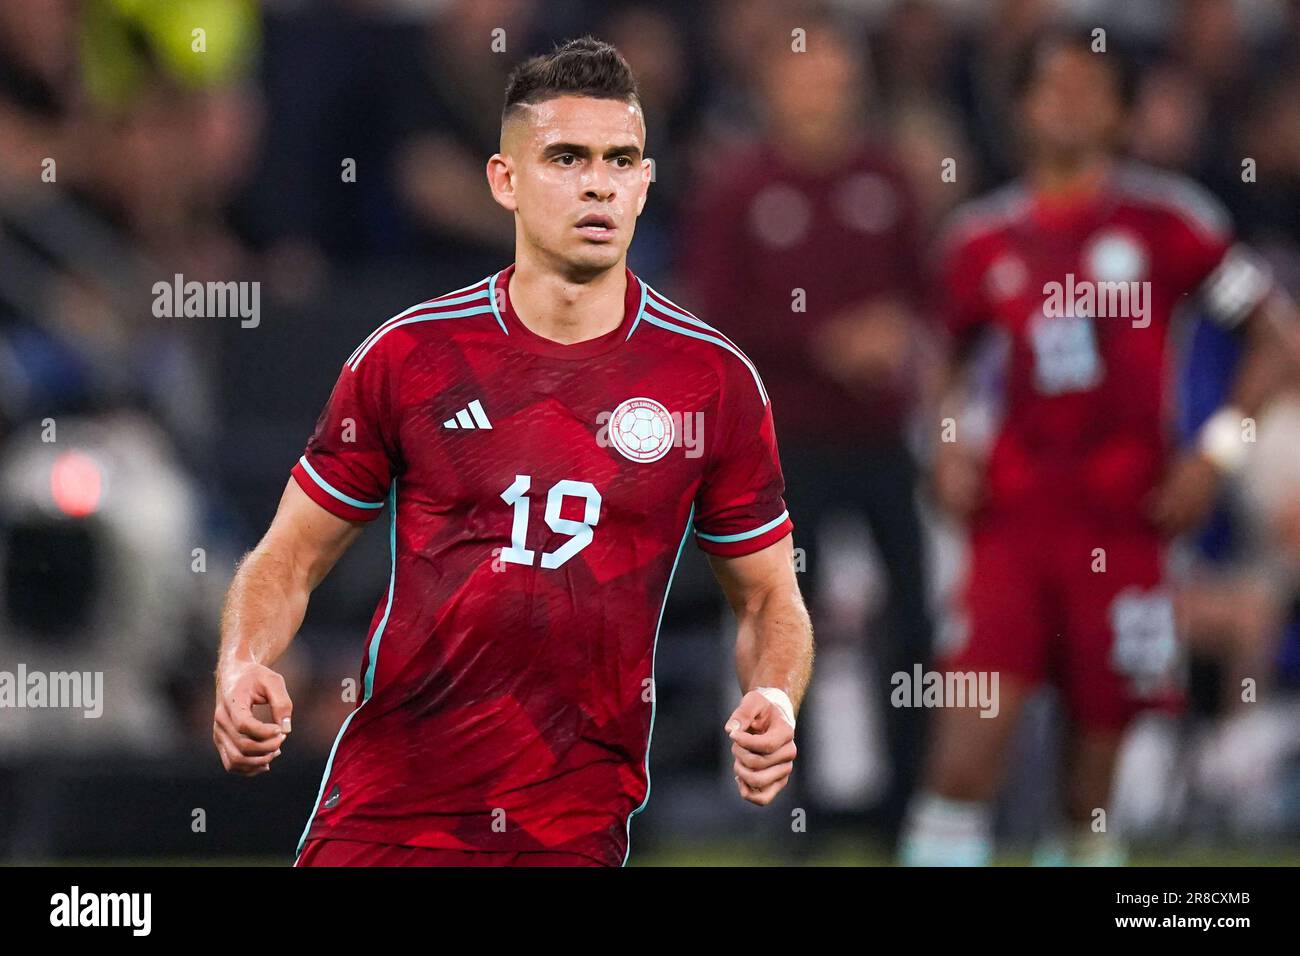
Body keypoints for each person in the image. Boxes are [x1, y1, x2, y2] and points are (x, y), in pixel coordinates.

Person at [212, 37, 813, 868]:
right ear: (505, 180)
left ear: (643, 185)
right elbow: (287, 557)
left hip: (570, 820)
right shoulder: (409, 356)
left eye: (620, 160)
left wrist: (775, 695)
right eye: (566, 157)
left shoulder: (711, 383)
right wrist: (244, 664)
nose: (598, 181)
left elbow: (768, 599)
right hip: (390, 803)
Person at [903, 30, 1297, 866]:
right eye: (1050, 87)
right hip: (1011, 524)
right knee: (968, 750)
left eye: (1089, 89)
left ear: (1123, 115)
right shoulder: (981, 239)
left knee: (1091, 781)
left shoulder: (1170, 225)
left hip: (1127, 523)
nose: (1067, 104)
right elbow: (940, 358)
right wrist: (944, 446)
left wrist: (1214, 454)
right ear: (1017, 112)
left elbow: (1275, 337)